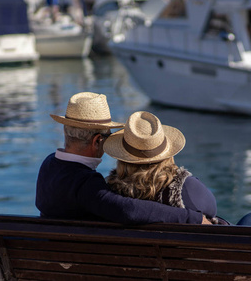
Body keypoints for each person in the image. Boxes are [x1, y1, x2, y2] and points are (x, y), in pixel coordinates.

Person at [35, 92, 211, 224]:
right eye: (108, 136)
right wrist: (192, 218)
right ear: (98, 141)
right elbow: (128, 210)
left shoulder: (49, 165)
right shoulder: (87, 185)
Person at [104, 111, 251, 226]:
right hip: (206, 261)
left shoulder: (110, 194)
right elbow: (211, 209)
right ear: (166, 153)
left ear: (123, 158)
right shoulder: (185, 189)